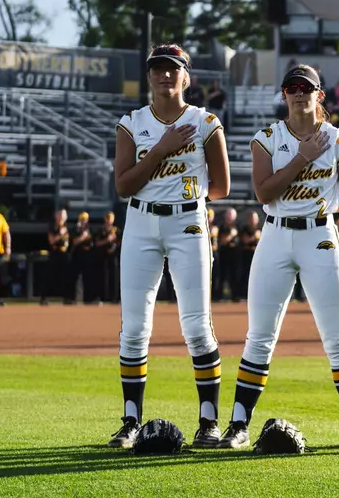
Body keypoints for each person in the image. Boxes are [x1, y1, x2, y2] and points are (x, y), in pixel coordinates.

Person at [216, 64, 339, 450]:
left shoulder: (338, 138)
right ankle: (238, 426)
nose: (300, 93)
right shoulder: (267, 137)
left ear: (320, 94)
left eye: (307, 87)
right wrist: (302, 158)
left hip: (318, 234)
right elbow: (265, 194)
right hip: (276, 235)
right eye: (293, 87)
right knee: (259, 337)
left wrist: (320, 205)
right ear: (284, 94)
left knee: (336, 336)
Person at [110, 43, 230, 449]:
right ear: (149, 77)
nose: (165, 75)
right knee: (134, 329)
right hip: (141, 220)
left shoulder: (205, 121)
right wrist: (161, 151)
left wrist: (185, 198)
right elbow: (123, 185)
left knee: (196, 326)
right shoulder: (132, 122)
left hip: (187, 220)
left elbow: (222, 186)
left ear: (186, 77)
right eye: (158, 69)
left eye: (172, 69)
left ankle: (209, 421)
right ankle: (130, 420)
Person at [43, 208, 69, 306]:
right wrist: (60, 234)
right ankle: (44, 298)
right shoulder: (52, 227)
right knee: (50, 276)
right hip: (55, 253)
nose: (62, 217)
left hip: (64, 253)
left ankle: (67, 298)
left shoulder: (66, 226)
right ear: (56, 216)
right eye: (60, 215)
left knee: (65, 276)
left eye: (63, 215)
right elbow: (52, 241)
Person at [94, 212, 120, 304]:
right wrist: (107, 240)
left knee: (115, 276)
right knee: (103, 276)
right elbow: (97, 243)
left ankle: (114, 298)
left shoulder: (116, 230)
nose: (109, 220)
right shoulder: (101, 231)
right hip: (103, 256)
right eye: (107, 218)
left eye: (111, 218)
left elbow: (120, 242)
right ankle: (103, 297)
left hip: (114, 256)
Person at [72, 212, 97, 304]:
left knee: (88, 277)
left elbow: (94, 243)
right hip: (77, 255)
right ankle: (73, 299)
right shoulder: (76, 229)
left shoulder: (90, 229)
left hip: (88, 256)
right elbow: (74, 242)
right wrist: (83, 237)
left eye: (85, 219)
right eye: (82, 219)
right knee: (75, 277)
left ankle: (88, 299)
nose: (84, 221)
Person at [215, 209, 239, 302]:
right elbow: (222, 241)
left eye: (232, 216)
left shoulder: (238, 226)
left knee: (235, 276)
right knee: (222, 276)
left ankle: (235, 295)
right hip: (224, 254)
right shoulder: (222, 227)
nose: (230, 218)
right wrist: (231, 235)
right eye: (228, 215)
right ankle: (219, 296)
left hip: (235, 255)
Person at [238, 212, 261, 302]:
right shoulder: (245, 229)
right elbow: (245, 240)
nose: (253, 221)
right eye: (251, 218)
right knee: (245, 274)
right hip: (246, 255)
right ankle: (243, 295)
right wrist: (255, 237)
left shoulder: (260, 229)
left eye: (254, 219)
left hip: (257, 256)